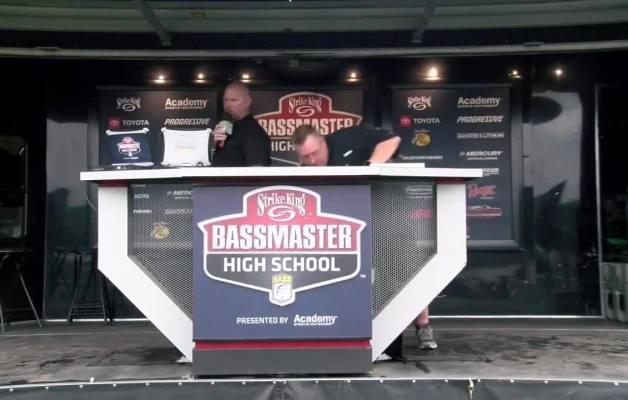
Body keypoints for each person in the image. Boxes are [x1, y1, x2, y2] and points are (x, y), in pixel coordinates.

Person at [211, 82, 271, 166]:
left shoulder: (253, 133)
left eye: (234, 100)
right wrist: (212, 143)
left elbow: (257, 169)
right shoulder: (226, 127)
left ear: (247, 102)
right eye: (225, 100)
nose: (228, 105)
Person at [292, 124, 400, 166]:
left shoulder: (348, 138)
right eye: (305, 157)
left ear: (322, 140)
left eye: (314, 153)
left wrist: (370, 168)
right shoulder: (303, 172)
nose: (312, 161)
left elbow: (392, 139)